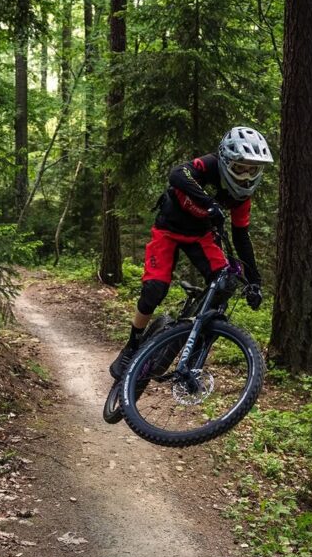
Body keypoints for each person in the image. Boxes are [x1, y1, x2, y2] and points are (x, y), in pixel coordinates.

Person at [109, 126, 273, 379]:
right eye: (241, 167)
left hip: (201, 237)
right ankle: (132, 345)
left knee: (225, 282)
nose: (246, 176)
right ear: (227, 161)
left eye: (253, 169)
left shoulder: (242, 198)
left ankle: (190, 339)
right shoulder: (209, 165)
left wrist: (255, 282)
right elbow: (177, 174)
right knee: (154, 289)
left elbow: (241, 237)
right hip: (168, 230)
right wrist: (210, 204)